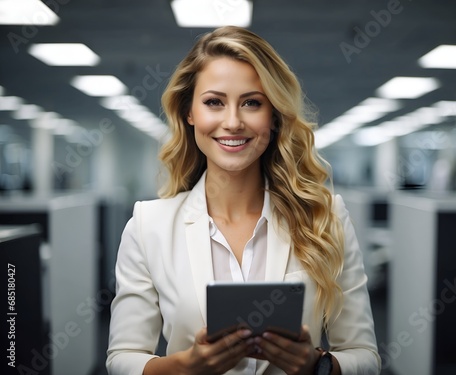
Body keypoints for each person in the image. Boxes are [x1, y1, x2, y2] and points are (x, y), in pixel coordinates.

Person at [106, 26, 381, 375]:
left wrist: (317, 365)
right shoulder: (149, 226)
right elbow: (122, 358)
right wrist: (186, 367)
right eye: (213, 102)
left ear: (274, 115)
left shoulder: (325, 217)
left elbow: (366, 356)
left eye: (252, 102)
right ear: (189, 112)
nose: (233, 122)